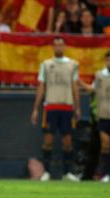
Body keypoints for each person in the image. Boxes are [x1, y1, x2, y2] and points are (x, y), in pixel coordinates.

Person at [31, 37, 80, 182]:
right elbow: (41, 86)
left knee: (67, 142)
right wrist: (35, 109)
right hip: (51, 106)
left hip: (67, 106)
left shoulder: (73, 64)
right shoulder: (46, 64)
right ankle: (46, 172)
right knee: (48, 140)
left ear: (64, 47)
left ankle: (67, 173)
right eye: (56, 45)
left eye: (61, 44)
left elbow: (75, 86)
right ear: (53, 47)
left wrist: (77, 107)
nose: (58, 47)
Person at [78, 51, 110, 182]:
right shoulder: (99, 75)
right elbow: (92, 89)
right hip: (104, 117)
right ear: (105, 61)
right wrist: (79, 82)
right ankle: (106, 174)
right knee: (105, 145)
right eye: (109, 60)